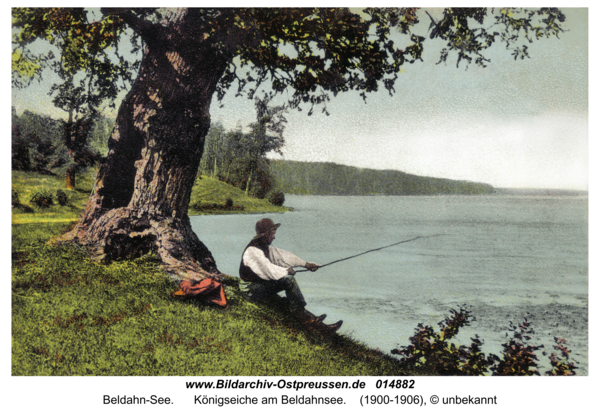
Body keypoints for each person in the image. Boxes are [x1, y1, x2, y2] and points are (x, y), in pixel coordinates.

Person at [239, 218, 343, 334]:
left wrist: (306, 264)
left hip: (258, 284)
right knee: (288, 281)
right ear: (266, 233)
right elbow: (268, 270)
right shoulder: (253, 251)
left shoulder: (264, 248)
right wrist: (287, 271)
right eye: (273, 234)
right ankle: (305, 319)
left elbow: (283, 257)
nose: (274, 237)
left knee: (291, 297)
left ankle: (320, 326)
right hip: (250, 289)